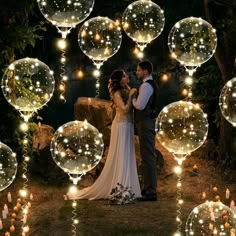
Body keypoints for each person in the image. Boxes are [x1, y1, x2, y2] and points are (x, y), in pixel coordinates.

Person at [67, 69, 141, 200]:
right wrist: (130, 96)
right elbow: (123, 110)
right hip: (121, 126)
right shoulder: (117, 93)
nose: (126, 77)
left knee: (127, 154)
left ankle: (129, 186)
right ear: (119, 80)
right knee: (122, 154)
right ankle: (120, 186)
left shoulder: (126, 89)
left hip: (128, 125)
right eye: (124, 76)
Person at [132, 60, 158, 201]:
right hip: (147, 122)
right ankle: (148, 188)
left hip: (146, 122)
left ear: (146, 71)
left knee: (148, 157)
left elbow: (140, 106)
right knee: (147, 156)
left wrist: (132, 99)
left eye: (139, 70)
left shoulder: (146, 86)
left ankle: (151, 192)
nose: (137, 72)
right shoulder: (148, 85)